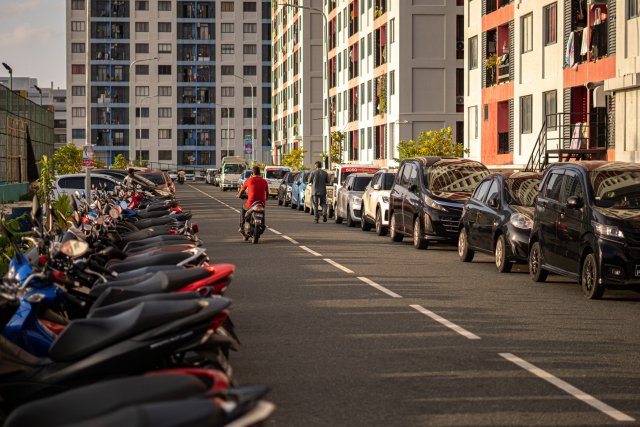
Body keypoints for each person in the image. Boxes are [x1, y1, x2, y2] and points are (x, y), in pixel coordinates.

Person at [237, 166, 269, 233]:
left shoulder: (248, 180)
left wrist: (239, 195)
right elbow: (267, 192)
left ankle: (241, 226)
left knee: (243, 208)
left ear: (252, 173)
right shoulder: (264, 181)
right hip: (261, 203)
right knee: (262, 212)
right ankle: (263, 224)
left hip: (250, 203)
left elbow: (241, 191)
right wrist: (266, 198)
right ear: (260, 173)